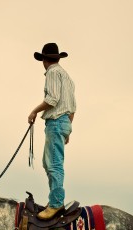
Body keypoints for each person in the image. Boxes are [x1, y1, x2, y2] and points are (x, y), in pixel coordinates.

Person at [28, 43, 76, 220]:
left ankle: (56, 203)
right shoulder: (68, 78)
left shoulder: (53, 73)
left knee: (53, 163)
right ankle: (54, 200)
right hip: (64, 122)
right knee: (50, 162)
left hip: (55, 121)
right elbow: (72, 108)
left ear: (44, 60)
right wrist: (68, 130)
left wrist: (34, 111)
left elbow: (53, 99)